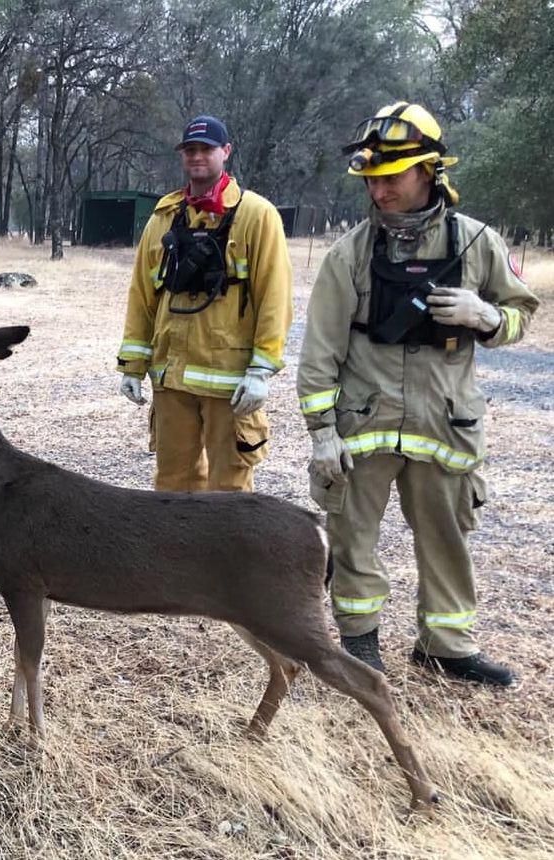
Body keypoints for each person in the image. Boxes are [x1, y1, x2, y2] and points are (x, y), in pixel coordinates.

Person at [297, 102, 539, 685]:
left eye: (392, 178)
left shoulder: (478, 243)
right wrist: (323, 432)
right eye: (372, 180)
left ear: (430, 171)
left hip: (445, 424)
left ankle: (446, 646)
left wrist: (485, 316)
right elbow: (320, 349)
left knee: (447, 537)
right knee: (353, 537)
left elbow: (520, 315)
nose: (379, 191)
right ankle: (360, 646)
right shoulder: (349, 253)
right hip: (365, 422)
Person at [116, 115, 292, 492]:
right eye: (190, 150)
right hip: (171, 376)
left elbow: (274, 298)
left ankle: (230, 554)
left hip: (228, 382)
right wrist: (132, 366)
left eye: (206, 149)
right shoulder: (164, 217)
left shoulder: (256, 216)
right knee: (173, 485)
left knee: (229, 489)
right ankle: (178, 553)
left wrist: (261, 371)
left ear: (225, 152)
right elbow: (142, 295)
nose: (197, 157)